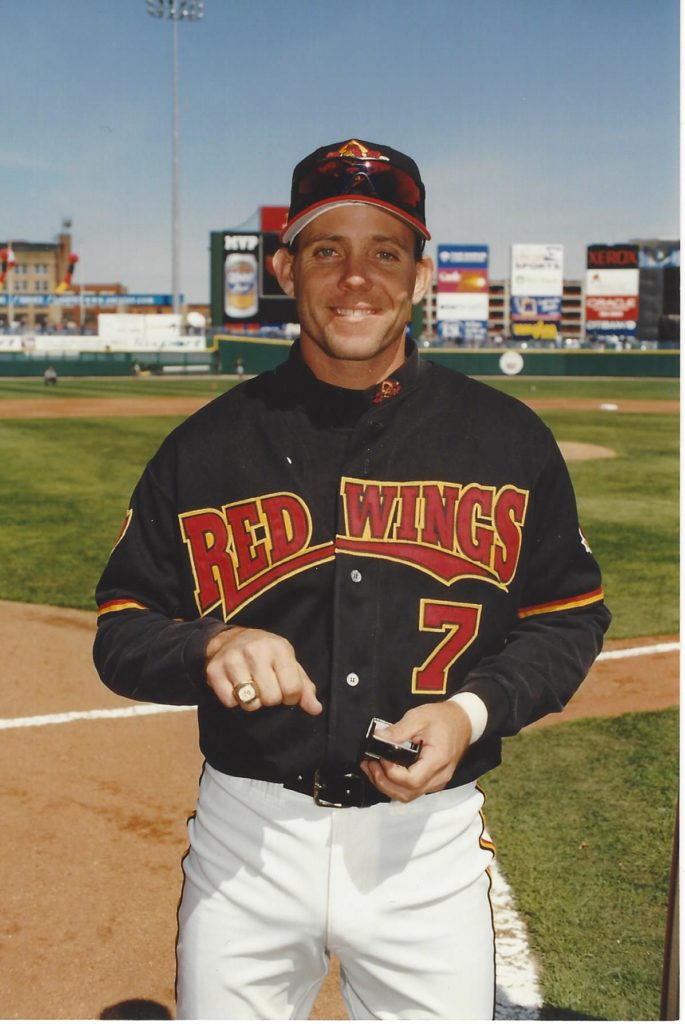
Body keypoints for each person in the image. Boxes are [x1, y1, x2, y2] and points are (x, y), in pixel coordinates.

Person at [93, 138, 610, 1020]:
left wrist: (468, 711)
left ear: (418, 275)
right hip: (247, 837)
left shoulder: (506, 440)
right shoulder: (206, 446)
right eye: (328, 251)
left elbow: (568, 617)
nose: (356, 278)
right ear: (287, 268)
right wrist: (209, 642)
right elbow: (124, 625)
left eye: (385, 252)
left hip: (427, 848)